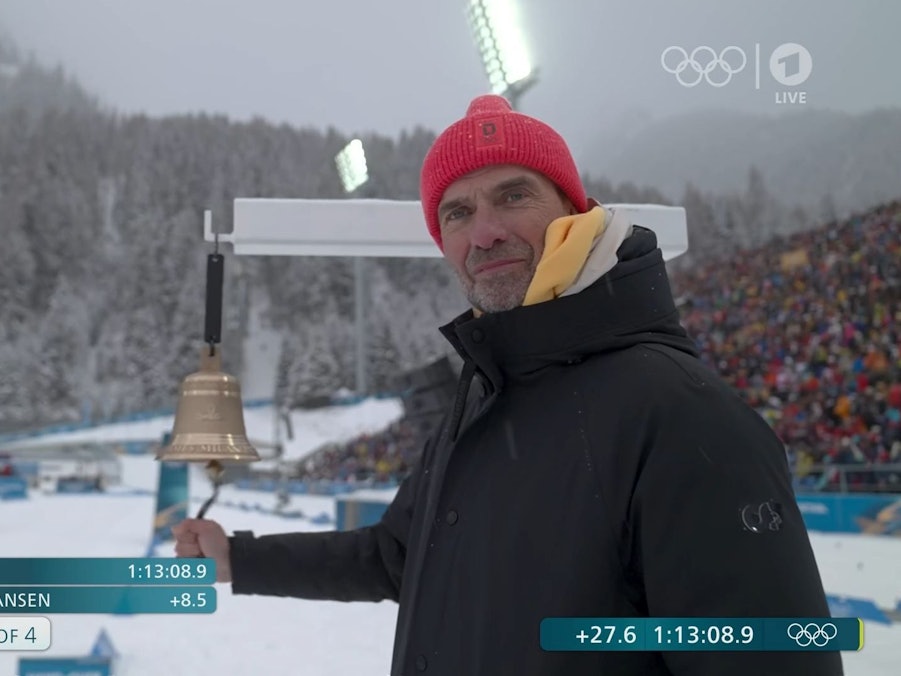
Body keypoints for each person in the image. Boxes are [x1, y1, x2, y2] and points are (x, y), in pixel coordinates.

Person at [173, 94, 843, 675]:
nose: (485, 232)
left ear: (571, 210)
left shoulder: (679, 413)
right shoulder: (485, 403)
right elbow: (396, 556)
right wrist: (239, 559)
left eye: (513, 195)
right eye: (457, 213)